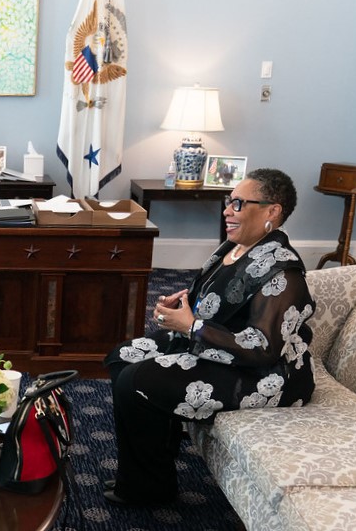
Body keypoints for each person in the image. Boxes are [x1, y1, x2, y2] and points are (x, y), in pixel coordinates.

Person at [103, 168, 315, 506]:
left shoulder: (283, 270)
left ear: (272, 211)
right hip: (218, 346)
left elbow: (263, 347)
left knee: (136, 381)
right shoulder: (235, 248)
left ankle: (149, 490)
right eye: (229, 202)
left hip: (266, 374)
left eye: (239, 204)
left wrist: (191, 326)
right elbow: (214, 301)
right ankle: (153, 465)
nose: (227, 211)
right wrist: (179, 309)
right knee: (122, 356)